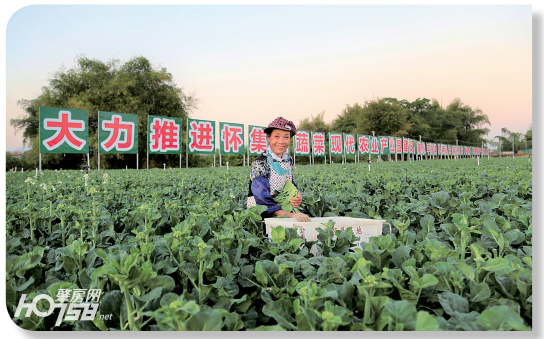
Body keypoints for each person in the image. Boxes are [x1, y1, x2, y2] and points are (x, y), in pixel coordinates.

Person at [247, 117, 311, 222]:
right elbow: (261, 198)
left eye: (286, 137)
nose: (281, 141)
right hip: (261, 216)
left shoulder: (287, 160)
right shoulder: (260, 162)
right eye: (276, 136)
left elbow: (290, 183)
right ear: (269, 137)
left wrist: (297, 196)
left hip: (282, 212)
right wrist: (289, 215)